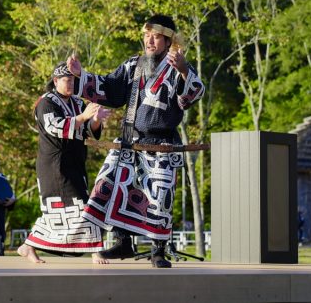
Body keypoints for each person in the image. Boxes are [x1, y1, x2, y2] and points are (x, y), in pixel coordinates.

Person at [68, 14, 205, 268]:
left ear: (168, 41)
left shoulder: (178, 66)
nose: (149, 41)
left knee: (159, 199)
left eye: (155, 37)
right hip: (129, 141)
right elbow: (110, 87)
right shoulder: (133, 65)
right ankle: (123, 242)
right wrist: (81, 76)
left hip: (161, 144)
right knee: (109, 186)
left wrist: (184, 70)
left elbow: (192, 95)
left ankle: (158, 250)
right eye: (146, 36)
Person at [17, 62, 111, 264]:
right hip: (54, 164)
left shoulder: (77, 102)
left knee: (62, 210)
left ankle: (29, 245)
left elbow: (87, 130)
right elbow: (55, 127)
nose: (71, 84)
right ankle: (96, 251)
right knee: (80, 205)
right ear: (56, 81)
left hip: (75, 162)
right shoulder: (45, 102)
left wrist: (95, 120)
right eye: (67, 80)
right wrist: (83, 116)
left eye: (73, 81)